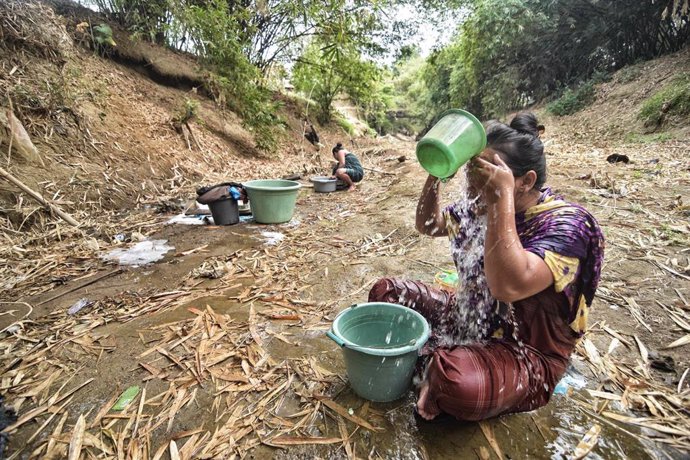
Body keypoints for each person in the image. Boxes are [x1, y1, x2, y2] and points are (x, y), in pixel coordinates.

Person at [368, 112, 604, 421]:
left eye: (490, 167)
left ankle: (440, 368)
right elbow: (428, 224)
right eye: (474, 165)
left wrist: (499, 198)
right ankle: (439, 363)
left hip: (527, 352)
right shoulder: (479, 205)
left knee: (455, 381)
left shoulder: (568, 225)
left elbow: (508, 286)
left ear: (526, 181)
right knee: (386, 293)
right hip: (468, 315)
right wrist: (438, 173)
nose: (477, 175)